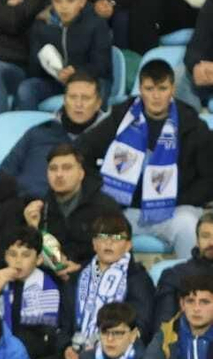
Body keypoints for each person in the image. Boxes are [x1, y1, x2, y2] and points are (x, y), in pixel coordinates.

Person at [80, 58, 213, 258]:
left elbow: (209, 179)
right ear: (140, 89)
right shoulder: (121, 118)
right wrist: (102, 190)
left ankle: (192, 282)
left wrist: (172, 199)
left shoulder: (192, 125)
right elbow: (83, 150)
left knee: (187, 225)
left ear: (173, 89)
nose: (156, 96)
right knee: (95, 221)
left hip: (174, 210)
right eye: (149, 89)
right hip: (126, 209)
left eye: (162, 88)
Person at [60, 212, 157, 359]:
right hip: (74, 353)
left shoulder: (137, 278)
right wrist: (65, 348)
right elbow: (63, 323)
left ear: (128, 245)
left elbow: (141, 326)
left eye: (117, 238)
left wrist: (104, 349)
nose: (109, 243)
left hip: (118, 356)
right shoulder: (78, 275)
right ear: (94, 243)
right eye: (103, 236)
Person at [0, 71, 108, 198]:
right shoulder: (38, 132)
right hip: (24, 208)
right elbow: (3, 176)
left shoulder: (111, 139)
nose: (78, 104)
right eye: (73, 97)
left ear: (98, 103)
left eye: (85, 98)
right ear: (64, 100)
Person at [25, 142, 125, 274]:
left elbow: (119, 252)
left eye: (67, 168)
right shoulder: (39, 208)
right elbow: (26, 258)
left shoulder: (104, 206)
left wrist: (81, 268)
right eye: (53, 169)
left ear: (81, 173)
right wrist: (32, 228)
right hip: (52, 276)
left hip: (96, 275)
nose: (59, 174)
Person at [17, 0, 113, 111]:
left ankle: (95, 131)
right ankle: (32, 130)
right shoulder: (42, 26)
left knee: (100, 87)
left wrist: (76, 71)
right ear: (52, 1)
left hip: (89, 80)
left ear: (82, 1)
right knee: (27, 87)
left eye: (70, 0)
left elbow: (102, 66)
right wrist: (54, 71)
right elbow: (33, 70)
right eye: (57, 0)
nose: (63, 6)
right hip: (55, 82)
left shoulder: (96, 24)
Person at [0, 228, 65, 359]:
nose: (18, 261)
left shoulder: (48, 285)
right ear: (5, 256)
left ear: (38, 260)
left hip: (33, 356)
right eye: (12, 254)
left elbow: (44, 337)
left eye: (25, 255)